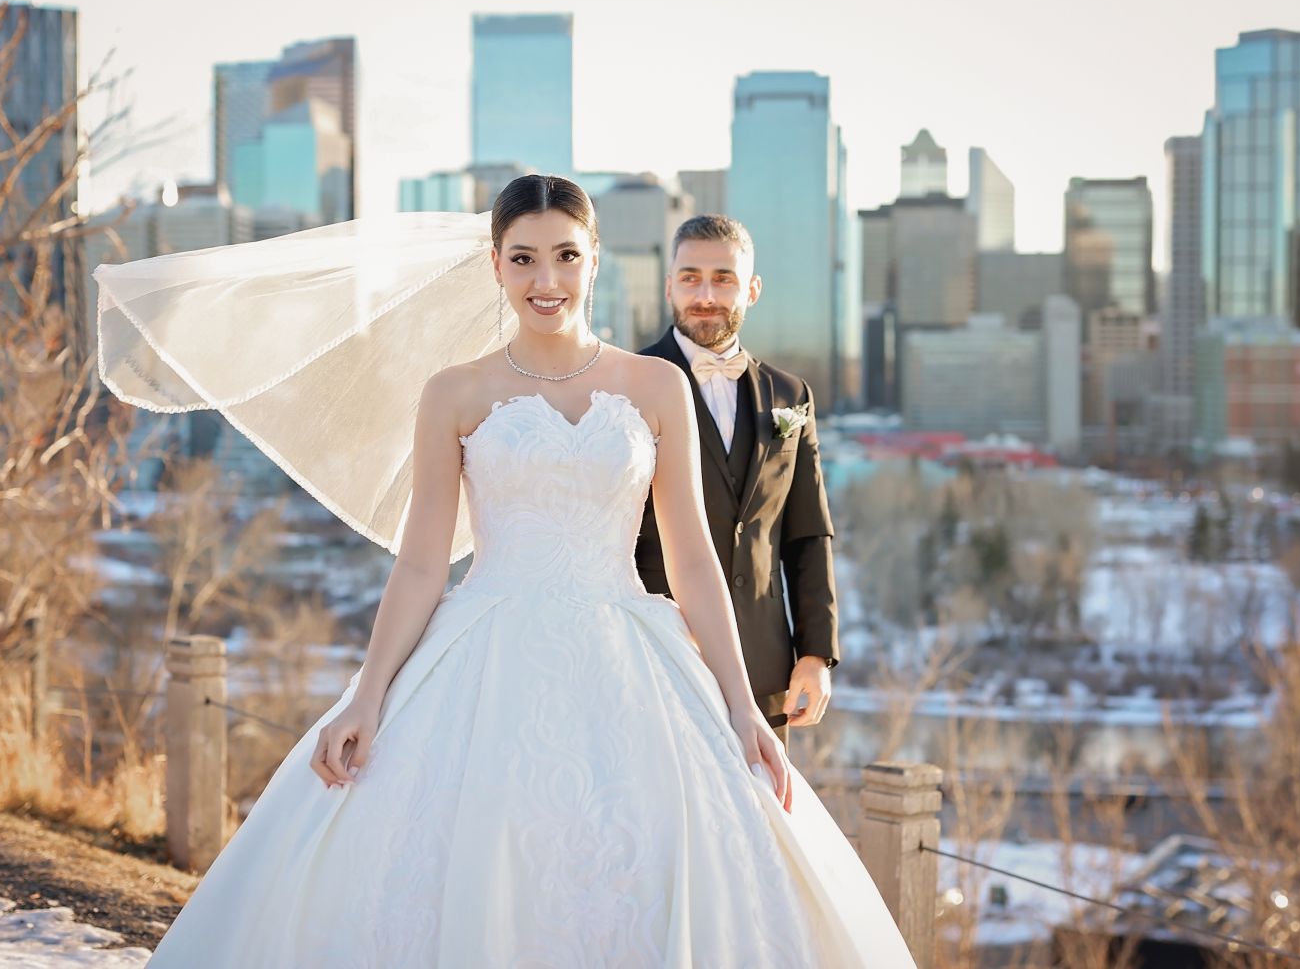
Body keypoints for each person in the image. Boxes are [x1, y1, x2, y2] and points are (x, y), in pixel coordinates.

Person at [98, 175, 913, 967]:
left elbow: (695, 557)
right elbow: (421, 563)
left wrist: (741, 709)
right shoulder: (454, 392)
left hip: (630, 655)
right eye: (522, 258)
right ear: (495, 266)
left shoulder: (656, 385)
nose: (546, 280)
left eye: (564, 255)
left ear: (595, 261)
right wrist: (368, 695)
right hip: (483, 652)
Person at [636, 215, 837, 744]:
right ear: (669, 286)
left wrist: (815, 654)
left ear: (752, 288)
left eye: (723, 278)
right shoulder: (625, 384)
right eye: (690, 277)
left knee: (758, 822)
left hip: (765, 668)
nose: (705, 295)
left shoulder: (791, 395)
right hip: (655, 657)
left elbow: (807, 534)